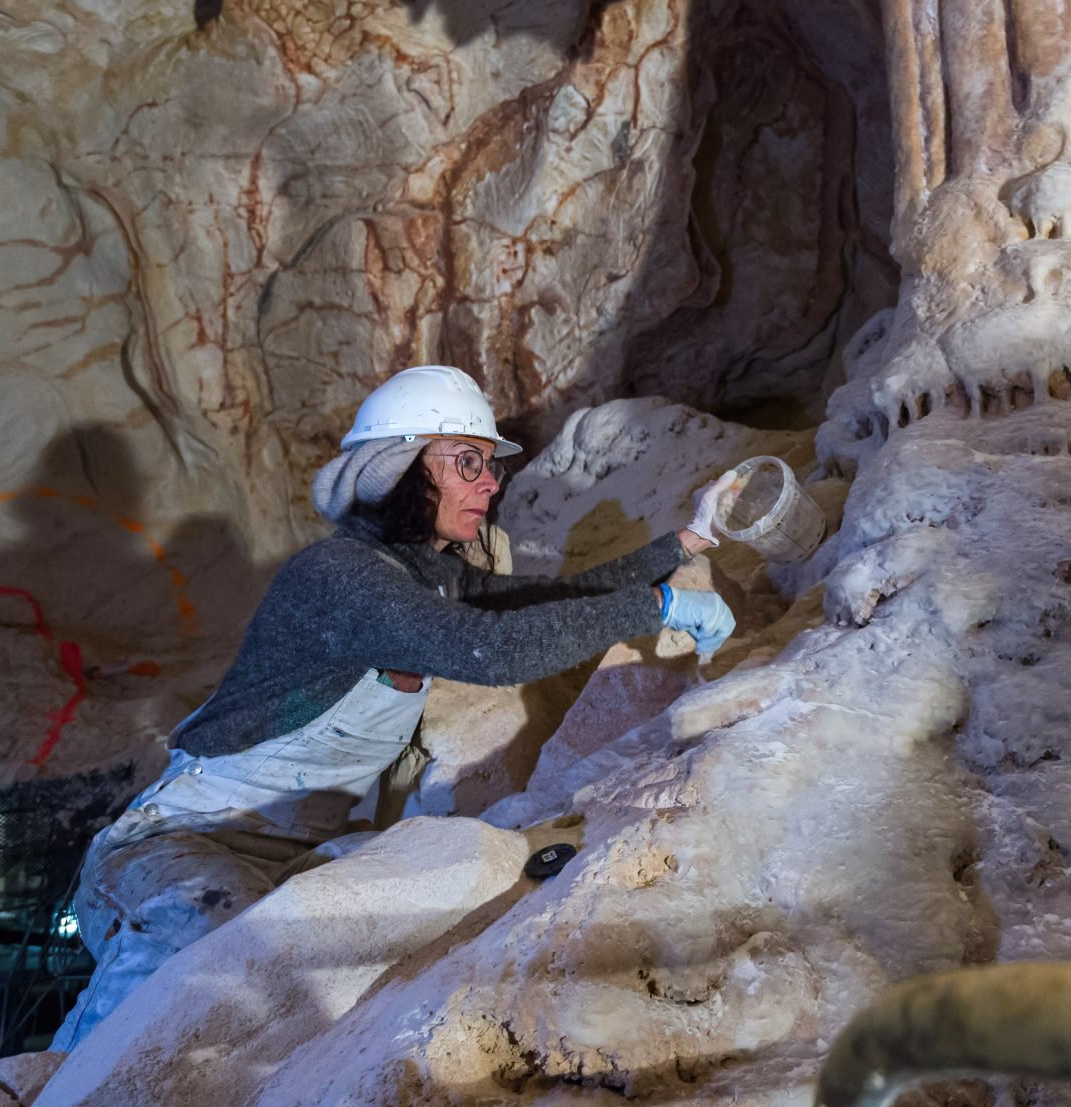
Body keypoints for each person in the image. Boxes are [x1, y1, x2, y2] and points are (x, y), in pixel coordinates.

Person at [52, 365, 735, 1047]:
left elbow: (549, 603)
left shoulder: (426, 581)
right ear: (398, 468)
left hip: (288, 861)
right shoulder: (340, 577)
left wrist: (684, 544)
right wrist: (658, 606)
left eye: (489, 464)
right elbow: (489, 651)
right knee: (215, 950)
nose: (490, 482)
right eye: (468, 460)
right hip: (173, 850)